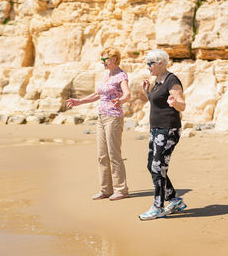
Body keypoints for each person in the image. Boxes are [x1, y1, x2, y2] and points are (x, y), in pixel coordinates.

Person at [65, 47, 131, 201]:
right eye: (101, 59)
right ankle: (106, 189)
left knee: (114, 154)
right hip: (101, 117)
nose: (102, 62)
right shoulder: (106, 74)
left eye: (105, 59)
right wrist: (79, 101)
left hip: (113, 117)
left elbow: (127, 94)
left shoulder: (121, 75)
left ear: (114, 59)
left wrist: (120, 100)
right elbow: (98, 94)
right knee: (102, 155)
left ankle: (121, 189)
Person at [139, 49, 187, 220]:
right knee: (151, 165)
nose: (148, 67)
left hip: (168, 129)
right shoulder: (157, 81)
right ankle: (174, 200)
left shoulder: (171, 80)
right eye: (147, 63)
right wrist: (147, 92)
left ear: (160, 63)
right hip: (155, 129)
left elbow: (182, 104)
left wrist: (175, 103)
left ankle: (158, 206)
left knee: (158, 167)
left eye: (150, 63)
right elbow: (157, 103)